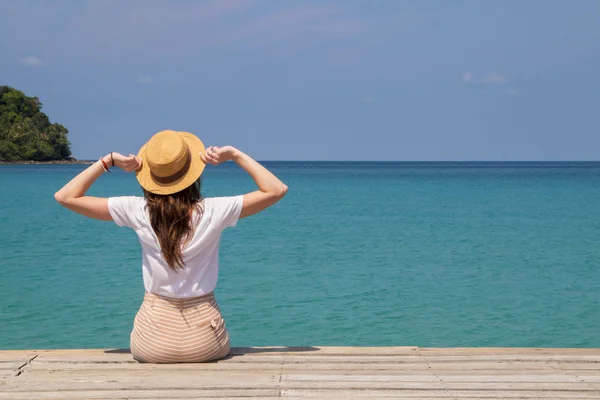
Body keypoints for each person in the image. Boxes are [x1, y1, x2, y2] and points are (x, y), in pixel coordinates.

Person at [54, 130, 288, 363]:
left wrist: (109, 161)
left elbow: (66, 197)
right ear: (193, 174)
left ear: (150, 175)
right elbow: (276, 189)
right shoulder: (214, 211)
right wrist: (235, 155)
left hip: (152, 342)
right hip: (205, 341)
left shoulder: (137, 210)